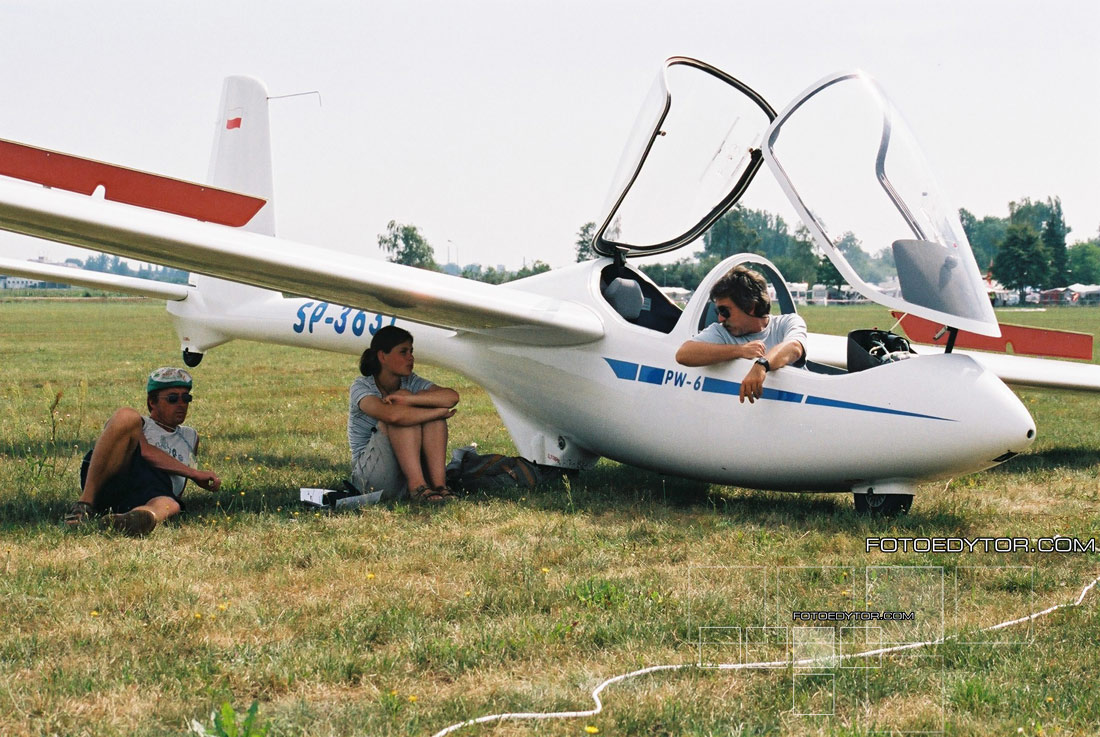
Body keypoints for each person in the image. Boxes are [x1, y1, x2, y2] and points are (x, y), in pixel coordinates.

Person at [64, 367, 221, 536]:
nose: (181, 404)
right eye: (173, 398)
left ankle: (134, 518)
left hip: (154, 489)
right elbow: (147, 453)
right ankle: (84, 505)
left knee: (171, 504)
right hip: (123, 475)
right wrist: (195, 474)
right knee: (126, 414)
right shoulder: (139, 424)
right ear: (152, 402)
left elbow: (178, 483)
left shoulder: (191, 436)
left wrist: (179, 487)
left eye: (186, 398)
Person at [349, 326, 460, 503]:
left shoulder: (411, 381)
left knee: (420, 411)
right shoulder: (361, 386)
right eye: (403, 352)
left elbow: (451, 397)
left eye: (411, 351)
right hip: (369, 480)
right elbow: (393, 416)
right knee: (401, 417)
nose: (411, 357)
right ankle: (417, 487)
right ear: (382, 356)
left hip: (403, 472)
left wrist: (409, 400)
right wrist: (437, 412)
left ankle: (439, 486)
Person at [675, 265, 807, 403]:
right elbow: (684, 354)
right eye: (718, 312)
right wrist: (740, 351)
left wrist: (761, 365)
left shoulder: (787, 322)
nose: (720, 318)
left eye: (725, 311)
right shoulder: (721, 331)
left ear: (750, 307)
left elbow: (794, 348)